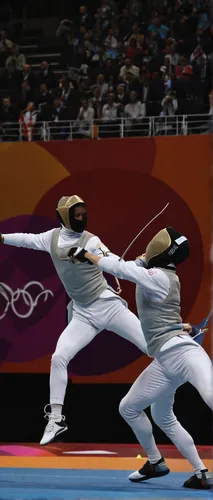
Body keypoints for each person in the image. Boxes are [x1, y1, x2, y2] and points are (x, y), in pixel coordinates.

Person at [0, 194, 149, 446]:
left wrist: (137, 263)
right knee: (59, 357)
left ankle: (191, 362)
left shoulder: (91, 241)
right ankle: (56, 418)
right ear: (64, 217)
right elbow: (27, 240)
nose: (82, 218)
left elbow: (113, 263)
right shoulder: (52, 238)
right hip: (83, 313)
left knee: (151, 346)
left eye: (83, 213)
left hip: (108, 306)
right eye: (76, 215)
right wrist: (2, 237)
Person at [72, 226, 213, 490]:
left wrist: (91, 257)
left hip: (185, 353)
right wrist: (100, 251)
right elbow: (123, 263)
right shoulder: (155, 273)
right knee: (138, 410)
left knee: (210, 395)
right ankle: (178, 467)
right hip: (164, 361)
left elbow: (122, 269)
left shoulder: (158, 276)